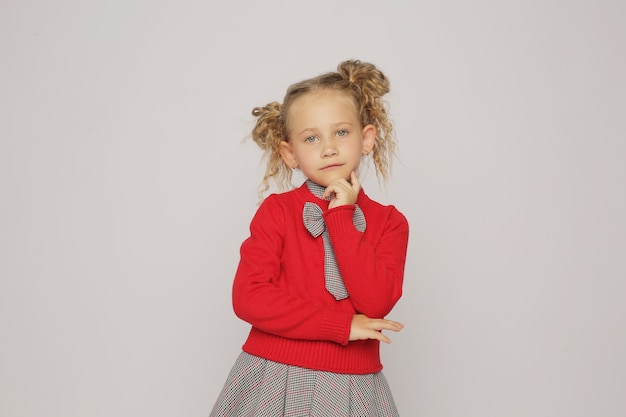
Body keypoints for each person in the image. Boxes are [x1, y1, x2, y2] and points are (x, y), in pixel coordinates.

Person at [210, 59, 409, 417]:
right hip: (273, 377)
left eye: (341, 133)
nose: (328, 148)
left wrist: (342, 218)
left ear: (366, 139)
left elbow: (376, 302)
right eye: (312, 138)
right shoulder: (278, 212)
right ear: (290, 153)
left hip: (354, 385)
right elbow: (249, 297)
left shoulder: (389, 223)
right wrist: (342, 325)